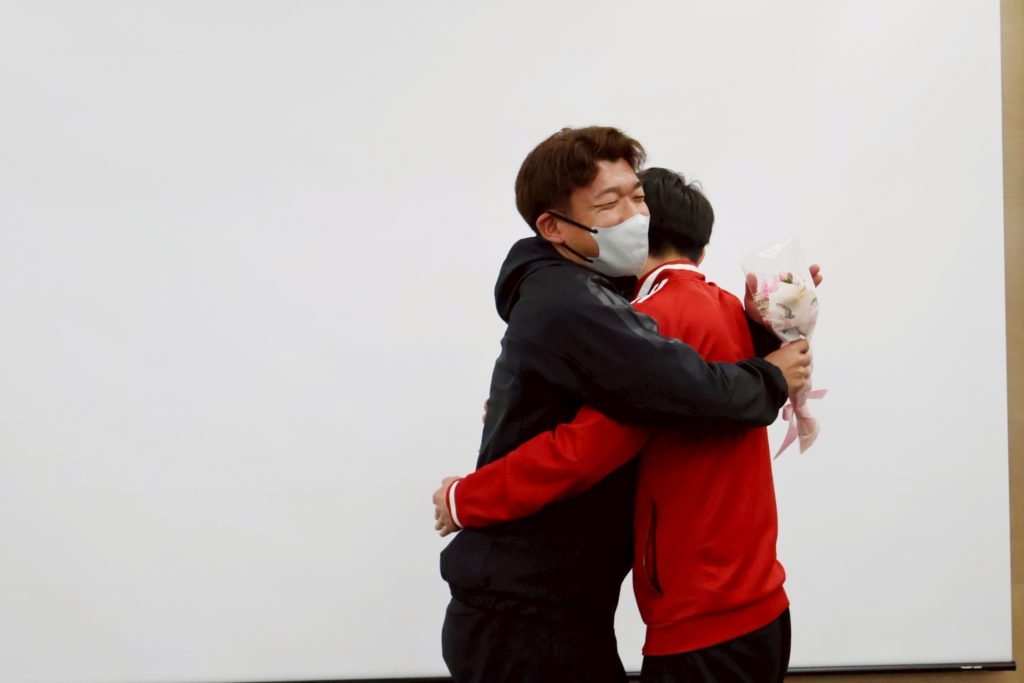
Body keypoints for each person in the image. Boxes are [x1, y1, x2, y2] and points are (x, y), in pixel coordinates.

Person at [438, 128, 811, 683]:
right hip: (533, 608)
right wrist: (775, 358)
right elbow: (669, 398)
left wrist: (775, 332)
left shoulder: (640, 308)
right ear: (553, 226)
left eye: (637, 197)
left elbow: (614, 426)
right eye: (609, 203)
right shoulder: (586, 304)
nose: (634, 216)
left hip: (654, 607)